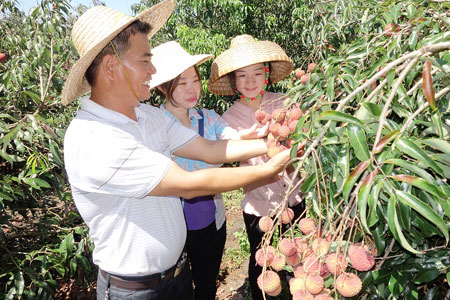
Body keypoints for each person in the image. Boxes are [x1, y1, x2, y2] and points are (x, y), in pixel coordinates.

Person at [61, 3, 292, 299]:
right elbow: (190, 184)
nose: (154, 71)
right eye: (146, 60)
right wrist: (268, 169)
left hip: (177, 277)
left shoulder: (149, 117)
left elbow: (210, 149)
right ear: (110, 66)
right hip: (135, 291)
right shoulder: (94, 137)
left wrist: (279, 145)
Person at [149, 41, 268, 300]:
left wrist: (245, 136)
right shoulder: (152, 126)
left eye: (195, 80)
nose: (192, 89)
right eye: (182, 83)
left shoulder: (208, 117)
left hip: (212, 221)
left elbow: (228, 138)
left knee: (206, 283)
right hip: (173, 226)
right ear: (161, 86)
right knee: (177, 288)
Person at [208, 34, 306, 300]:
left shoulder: (285, 102)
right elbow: (226, 145)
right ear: (233, 81)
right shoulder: (228, 118)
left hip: (295, 199)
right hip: (259, 207)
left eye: (256, 73)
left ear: (267, 74)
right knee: (260, 261)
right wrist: (254, 137)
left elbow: (305, 139)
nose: (250, 82)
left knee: (299, 258)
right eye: (242, 75)